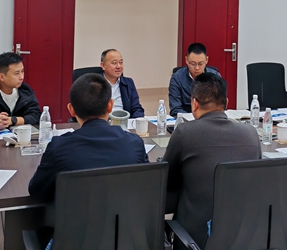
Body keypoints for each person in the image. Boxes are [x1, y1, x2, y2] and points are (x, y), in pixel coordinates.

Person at [163, 72, 261, 247]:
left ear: (194, 103)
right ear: (226, 103)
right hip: (242, 235)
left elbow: (166, 180)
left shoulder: (185, 133)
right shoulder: (251, 134)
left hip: (195, 239)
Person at [29, 72, 148, 200]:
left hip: (75, 213)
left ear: (71, 110)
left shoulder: (58, 148)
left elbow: (36, 191)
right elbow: (148, 185)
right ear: (110, 106)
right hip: (125, 212)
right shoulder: (135, 144)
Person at [168, 43, 221, 116]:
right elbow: (175, 108)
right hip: (186, 118)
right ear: (186, 60)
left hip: (209, 117)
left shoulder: (215, 77)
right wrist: (192, 119)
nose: (197, 68)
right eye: (193, 64)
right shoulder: (177, 78)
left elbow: (219, 105)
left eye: (200, 64)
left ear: (206, 60)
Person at [100, 48, 144, 118]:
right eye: (114, 63)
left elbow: (137, 108)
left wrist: (135, 120)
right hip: (103, 122)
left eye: (121, 62)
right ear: (103, 66)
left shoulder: (128, 83)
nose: (119, 66)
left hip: (124, 121)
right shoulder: (94, 84)